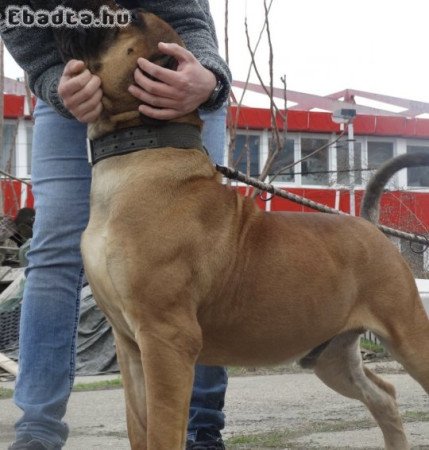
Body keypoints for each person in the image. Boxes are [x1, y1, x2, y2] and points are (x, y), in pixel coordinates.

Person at [0, 1, 231, 449]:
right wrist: (54, 85)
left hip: (177, 80)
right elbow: (32, 45)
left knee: (197, 256)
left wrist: (207, 78)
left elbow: (187, 19)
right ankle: (38, 430)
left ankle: (200, 428)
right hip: (77, 89)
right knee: (53, 251)